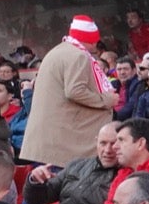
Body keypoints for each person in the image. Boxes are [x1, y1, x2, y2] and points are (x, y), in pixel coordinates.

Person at [21, 15, 115, 166]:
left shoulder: (56, 52)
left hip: (49, 143)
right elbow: (75, 91)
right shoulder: (78, 56)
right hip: (63, 147)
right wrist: (108, 100)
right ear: (91, 39)